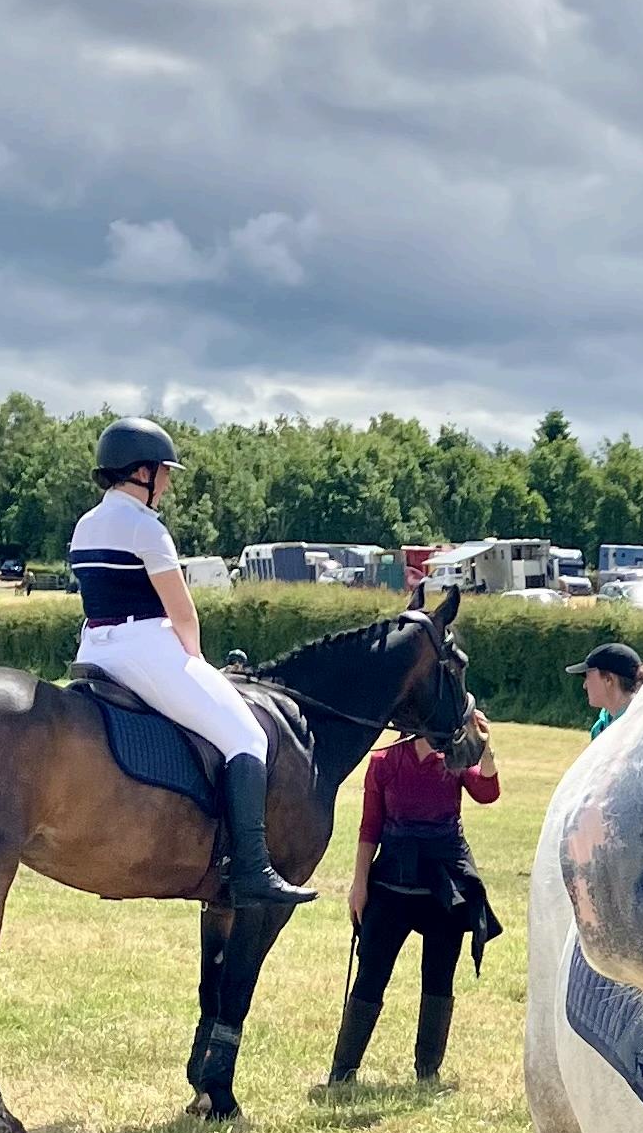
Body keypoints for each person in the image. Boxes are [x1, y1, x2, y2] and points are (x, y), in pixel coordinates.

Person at [67, 420, 308, 906]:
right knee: (248, 737)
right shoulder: (146, 528)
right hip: (146, 651)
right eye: (164, 472)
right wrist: (197, 662)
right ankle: (251, 867)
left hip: (93, 650)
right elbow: (182, 614)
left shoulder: (85, 524)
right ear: (141, 472)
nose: (168, 483)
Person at [324, 712, 503, 1085]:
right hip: (393, 880)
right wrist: (359, 885)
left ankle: (427, 1071)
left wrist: (486, 748)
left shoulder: (454, 758)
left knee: (439, 975)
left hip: (445, 883)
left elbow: (488, 792)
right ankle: (343, 1071)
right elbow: (369, 827)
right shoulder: (384, 762)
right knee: (371, 972)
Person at [568, 641, 643, 735]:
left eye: (587, 676)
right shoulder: (600, 726)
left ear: (609, 679)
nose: (585, 685)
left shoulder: (641, 725)